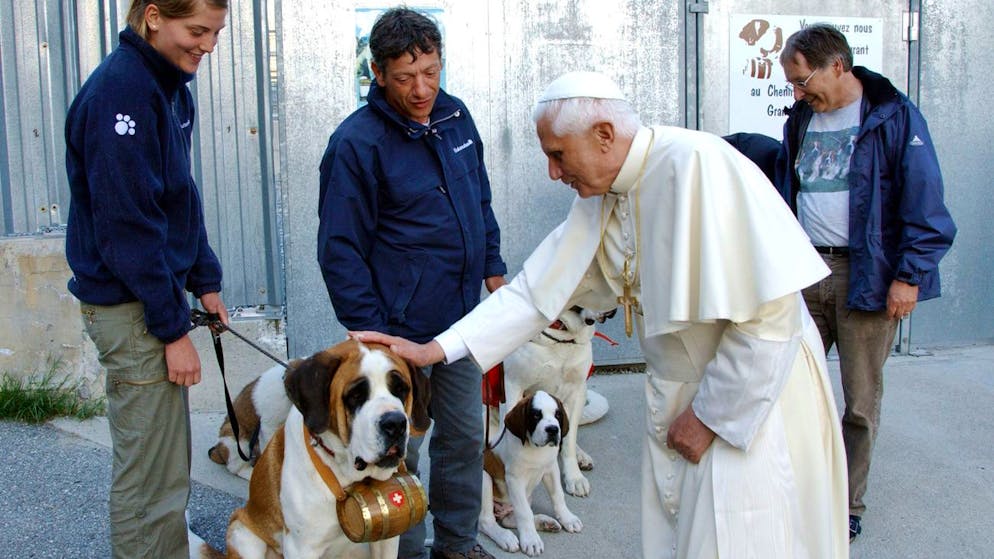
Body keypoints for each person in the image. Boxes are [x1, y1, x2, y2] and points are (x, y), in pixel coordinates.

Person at [355, 71, 850, 558]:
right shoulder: (603, 193)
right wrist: (435, 349)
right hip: (686, 393)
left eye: (557, 154)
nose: (554, 172)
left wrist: (710, 417)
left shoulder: (700, 165)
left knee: (748, 534)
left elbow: (770, 319)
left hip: (751, 397)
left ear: (604, 136)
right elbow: (532, 294)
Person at [317, 7, 507, 559]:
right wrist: (370, 334)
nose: (422, 88)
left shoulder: (455, 117)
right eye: (404, 77)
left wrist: (491, 263)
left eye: (431, 71)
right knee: (404, 449)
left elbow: (480, 199)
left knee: (465, 437)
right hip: (397, 332)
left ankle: (457, 544)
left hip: (461, 322)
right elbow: (339, 246)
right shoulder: (357, 144)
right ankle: (408, 551)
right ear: (377, 74)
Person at [776, 24, 957, 541]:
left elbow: (925, 203)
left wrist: (909, 277)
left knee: (859, 400)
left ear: (837, 65)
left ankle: (846, 503)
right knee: (790, 387)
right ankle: (795, 486)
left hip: (869, 275)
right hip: (805, 269)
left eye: (801, 79)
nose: (796, 92)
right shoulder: (802, 118)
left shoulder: (895, 117)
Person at [63, 1, 230, 557]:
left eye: (215, 33)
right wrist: (172, 329)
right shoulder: (122, 94)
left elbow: (178, 196)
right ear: (154, 16)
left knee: (165, 467)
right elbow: (127, 229)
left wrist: (205, 278)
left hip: (150, 302)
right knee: (147, 482)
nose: (207, 45)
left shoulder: (168, 84)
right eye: (197, 31)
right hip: (132, 309)